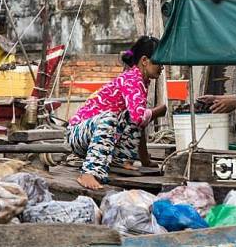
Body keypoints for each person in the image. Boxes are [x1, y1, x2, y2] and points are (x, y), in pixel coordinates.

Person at [66, 36, 167, 190]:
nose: (162, 67)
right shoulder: (132, 80)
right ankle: (88, 172)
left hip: (96, 134)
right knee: (110, 117)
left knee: (129, 116)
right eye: (159, 62)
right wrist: (158, 111)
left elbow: (137, 121)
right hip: (78, 134)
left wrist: (145, 160)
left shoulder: (141, 82)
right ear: (145, 60)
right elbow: (141, 118)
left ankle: (120, 161)